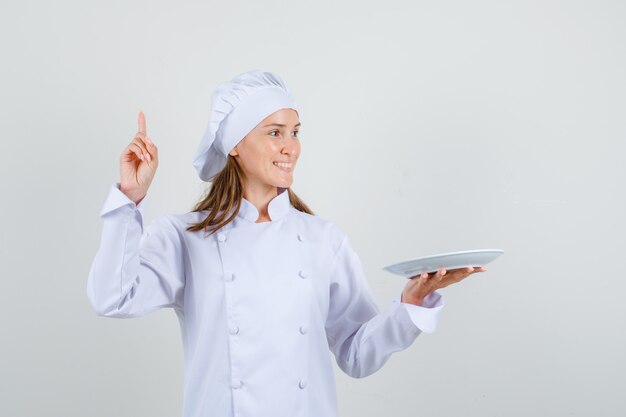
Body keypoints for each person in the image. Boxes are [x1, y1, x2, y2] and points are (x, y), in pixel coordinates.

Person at [87, 70, 485, 417]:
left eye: (294, 133)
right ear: (235, 145)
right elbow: (112, 297)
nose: (290, 147)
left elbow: (357, 355)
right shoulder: (185, 238)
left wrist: (411, 305)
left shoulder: (322, 239)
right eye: (274, 132)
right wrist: (128, 199)